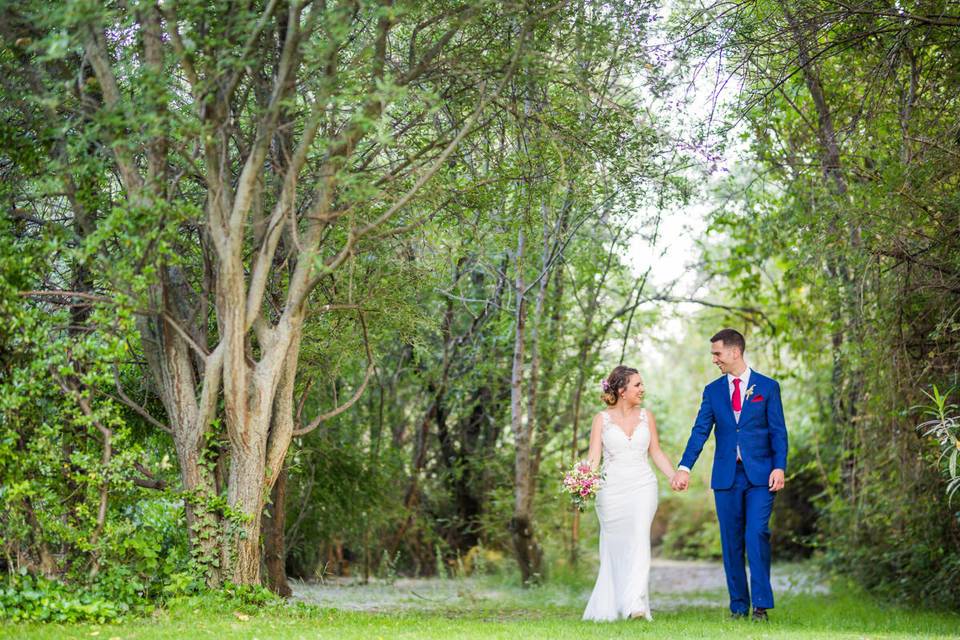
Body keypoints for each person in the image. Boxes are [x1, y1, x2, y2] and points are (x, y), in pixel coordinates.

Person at [671, 329, 788, 622]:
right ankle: (738, 606)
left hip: (762, 476)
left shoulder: (768, 387)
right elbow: (700, 431)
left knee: (756, 533)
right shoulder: (712, 391)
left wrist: (779, 466)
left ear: (735, 352)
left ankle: (760, 606)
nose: (714, 360)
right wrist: (685, 467)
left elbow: (778, 431)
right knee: (731, 541)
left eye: (717, 353)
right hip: (726, 477)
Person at [582, 365, 677, 621]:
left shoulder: (647, 416)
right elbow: (593, 458)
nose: (642, 389)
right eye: (637, 385)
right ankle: (615, 602)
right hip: (610, 490)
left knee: (638, 538)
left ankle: (635, 603)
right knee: (615, 546)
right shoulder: (601, 419)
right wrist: (582, 484)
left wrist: (672, 475)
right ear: (622, 390)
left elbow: (655, 451)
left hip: (642, 486)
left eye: (641, 384)